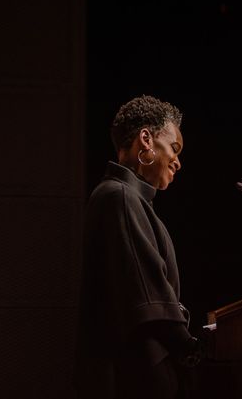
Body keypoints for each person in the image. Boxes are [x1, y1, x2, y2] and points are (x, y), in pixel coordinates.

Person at [75, 95, 202, 399]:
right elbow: (148, 300)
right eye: (174, 147)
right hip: (137, 378)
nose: (177, 161)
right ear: (146, 140)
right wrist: (192, 348)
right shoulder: (118, 196)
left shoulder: (128, 199)